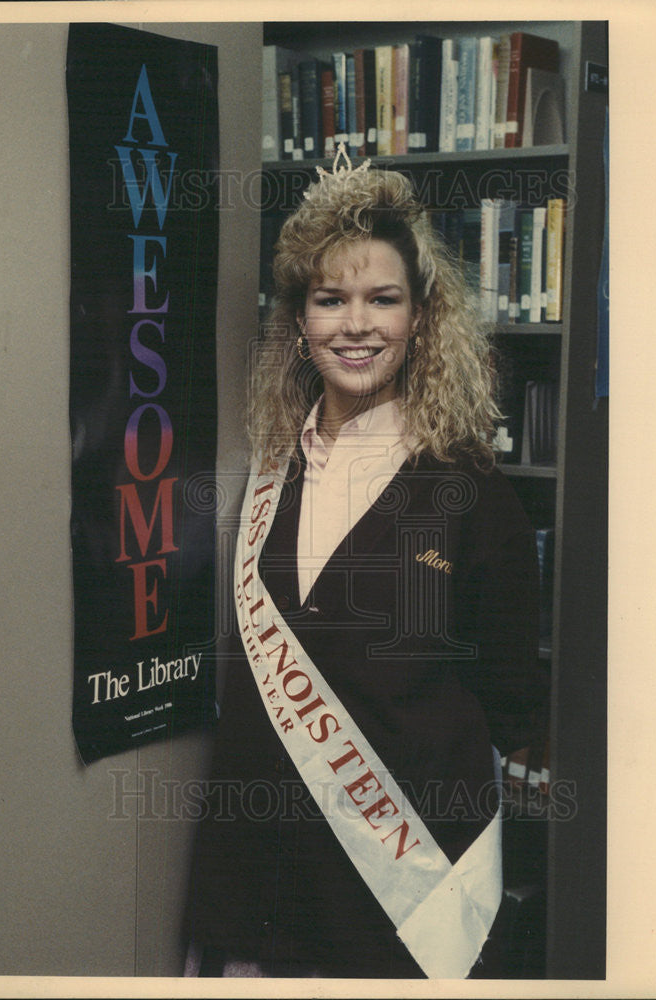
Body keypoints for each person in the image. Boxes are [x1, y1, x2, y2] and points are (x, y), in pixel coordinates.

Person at [183, 147, 546, 979]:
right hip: (260, 881)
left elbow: (506, 691)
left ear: (421, 317)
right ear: (299, 320)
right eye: (329, 299)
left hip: (397, 888)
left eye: (382, 299)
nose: (355, 325)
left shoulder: (471, 493)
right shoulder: (268, 470)